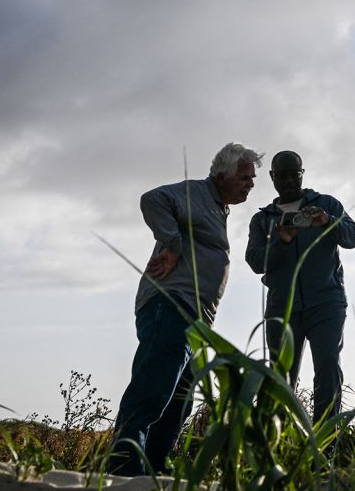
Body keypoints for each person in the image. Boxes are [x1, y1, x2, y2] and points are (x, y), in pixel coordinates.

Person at [109, 143, 263, 476]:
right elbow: (152, 199)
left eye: (253, 178)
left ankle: (153, 468)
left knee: (181, 398)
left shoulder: (218, 207)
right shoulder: (196, 194)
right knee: (154, 388)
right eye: (245, 176)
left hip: (192, 319)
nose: (251, 183)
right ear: (222, 175)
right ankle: (123, 469)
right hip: (171, 305)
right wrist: (174, 244)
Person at [246, 150, 355, 422]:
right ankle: (284, 446)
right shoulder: (263, 219)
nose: (288, 181)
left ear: (302, 174)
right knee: (281, 378)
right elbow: (255, 262)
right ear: (272, 177)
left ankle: (325, 441)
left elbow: (354, 237)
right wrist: (281, 240)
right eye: (281, 175)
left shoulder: (327, 205)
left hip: (326, 303)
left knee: (328, 366)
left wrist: (327, 222)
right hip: (282, 310)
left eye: (293, 174)